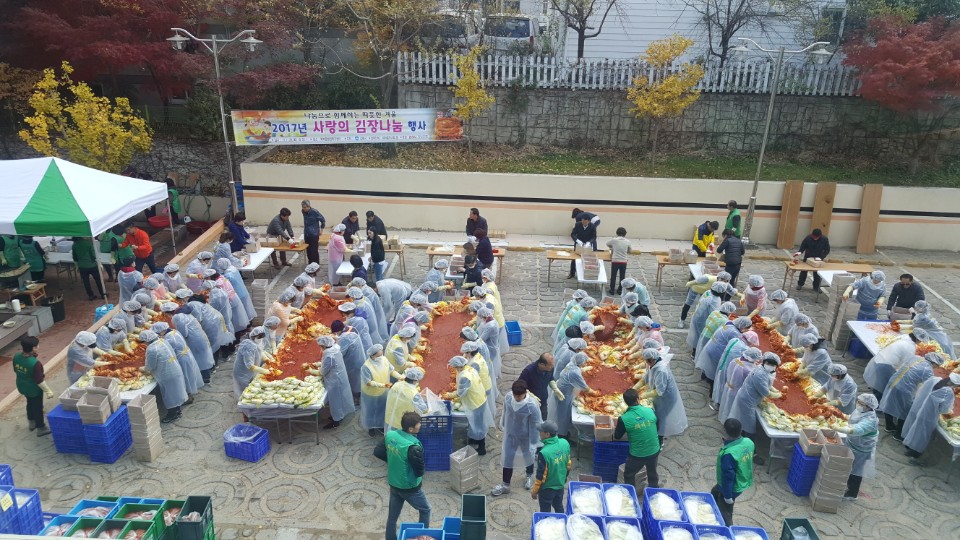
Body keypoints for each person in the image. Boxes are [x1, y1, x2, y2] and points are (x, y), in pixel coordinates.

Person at [376, 411, 431, 540]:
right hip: (409, 487)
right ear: (411, 429)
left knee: (392, 517)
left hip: (394, 483)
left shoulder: (391, 435)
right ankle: (422, 537)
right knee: (425, 509)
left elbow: (378, 452)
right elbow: (419, 471)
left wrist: (394, 461)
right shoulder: (412, 446)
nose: (420, 425)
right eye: (418, 424)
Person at [726, 352, 782, 464]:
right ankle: (751, 454)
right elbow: (765, 391)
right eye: (769, 363)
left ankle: (741, 441)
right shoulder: (760, 374)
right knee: (750, 429)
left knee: (745, 423)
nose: (771, 366)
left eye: (773, 364)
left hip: (747, 398)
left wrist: (776, 391)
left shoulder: (762, 370)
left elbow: (767, 385)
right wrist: (779, 395)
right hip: (747, 401)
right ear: (764, 362)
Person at [492, 380, 543, 496]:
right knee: (508, 458)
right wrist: (503, 424)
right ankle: (505, 485)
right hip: (511, 435)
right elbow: (505, 411)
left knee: (528, 456)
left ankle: (529, 476)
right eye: (515, 395)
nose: (517, 398)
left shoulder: (531, 406)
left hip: (525, 437)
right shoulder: (508, 398)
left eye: (519, 396)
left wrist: (534, 443)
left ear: (525, 393)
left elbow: (535, 425)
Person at [879, 352, 943, 441]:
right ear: (934, 362)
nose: (937, 367)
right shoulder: (927, 369)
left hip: (894, 382)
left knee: (889, 403)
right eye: (938, 365)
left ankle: (889, 426)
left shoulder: (916, 357)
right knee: (905, 410)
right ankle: (898, 435)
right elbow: (931, 385)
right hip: (904, 390)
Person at [902, 372, 960, 464]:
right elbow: (944, 409)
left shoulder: (936, 380)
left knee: (916, 430)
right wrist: (947, 411)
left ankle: (910, 449)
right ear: (956, 384)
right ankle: (915, 457)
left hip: (921, 409)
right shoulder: (948, 392)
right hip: (930, 415)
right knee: (923, 436)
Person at [445, 355, 493, 454]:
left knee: (478, 424)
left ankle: (481, 447)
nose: (454, 369)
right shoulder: (470, 369)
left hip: (476, 402)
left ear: (459, 366)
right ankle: (474, 439)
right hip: (479, 398)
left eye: (455, 367)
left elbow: (461, 393)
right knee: (475, 423)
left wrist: (449, 395)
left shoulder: (464, 377)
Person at [712, 418, 754, 526]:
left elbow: (728, 478)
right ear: (741, 430)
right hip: (742, 480)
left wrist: (727, 497)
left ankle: (728, 529)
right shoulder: (749, 442)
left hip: (731, 488)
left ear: (725, 431)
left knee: (726, 511)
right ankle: (711, 510)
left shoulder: (729, 454)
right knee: (714, 493)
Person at [615, 388, 660, 489]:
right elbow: (657, 427)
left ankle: (631, 493)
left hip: (637, 454)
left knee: (629, 474)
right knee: (652, 472)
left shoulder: (624, 419)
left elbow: (617, 436)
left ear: (625, 402)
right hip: (654, 449)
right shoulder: (650, 411)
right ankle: (654, 490)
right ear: (638, 399)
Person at [639, 348, 688, 441]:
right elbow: (645, 378)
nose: (646, 363)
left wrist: (642, 395)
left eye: (646, 361)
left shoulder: (661, 370)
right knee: (658, 416)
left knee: (661, 418)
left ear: (651, 360)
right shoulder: (653, 365)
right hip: (659, 397)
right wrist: (635, 388)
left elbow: (659, 391)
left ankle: (660, 440)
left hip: (666, 398)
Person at [837, 394, 880, 499]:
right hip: (853, 442)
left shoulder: (871, 420)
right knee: (849, 466)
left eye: (861, 403)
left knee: (856, 471)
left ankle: (852, 493)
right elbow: (852, 419)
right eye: (858, 402)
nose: (858, 404)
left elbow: (857, 429)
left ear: (869, 406)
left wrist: (838, 428)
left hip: (862, 448)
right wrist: (841, 417)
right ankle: (846, 484)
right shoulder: (861, 411)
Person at [696, 317, 753, 394]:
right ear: (742, 326)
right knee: (715, 371)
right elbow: (736, 347)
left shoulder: (729, 323)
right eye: (746, 328)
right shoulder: (735, 333)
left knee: (708, 365)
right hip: (717, 352)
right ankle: (712, 390)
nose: (747, 330)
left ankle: (704, 376)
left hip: (711, 346)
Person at [140, 330, 188, 423]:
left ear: (146, 340)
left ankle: (172, 415)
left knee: (169, 396)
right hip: (175, 368)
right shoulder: (163, 341)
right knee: (176, 392)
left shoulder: (151, 349)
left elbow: (150, 366)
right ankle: (177, 411)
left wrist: (141, 369)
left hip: (166, 374)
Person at [13, 336, 54, 437]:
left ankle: (31, 422)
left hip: (22, 385)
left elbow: (15, 370)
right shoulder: (35, 363)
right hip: (34, 388)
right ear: (34, 348)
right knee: (37, 407)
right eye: (37, 345)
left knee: (30, 402)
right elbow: (39, 381)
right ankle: (41, 427)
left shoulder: (16, 356)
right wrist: (48, 391)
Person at [312, 335, 355, 429]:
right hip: (340, 376)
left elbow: (323, 371)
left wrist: (311, 370)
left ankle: (336, 421)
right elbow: (330, 364)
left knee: (335, 401)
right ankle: (340, 415)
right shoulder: (335, 348)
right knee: (341, 399)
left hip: (334, 380)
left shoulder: (328, 354)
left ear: (323, 346)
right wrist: (320, 364)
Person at [530, 420, 572, 513]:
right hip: (560, 486)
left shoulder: (544, 453)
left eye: (541, 431)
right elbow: (568, 465)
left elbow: (540, 476)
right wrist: (563, 479)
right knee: (559, 506)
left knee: (545, 511)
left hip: (547, 490)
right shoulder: (565, 443)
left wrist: (535, 491)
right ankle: (562, 519)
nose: (539, 433)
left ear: (547, 434)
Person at [152, 321, 204, 396]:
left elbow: (167, 352)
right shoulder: (174, 332)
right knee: (189, 374)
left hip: (181, 359)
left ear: (162, 331)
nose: (158, 335)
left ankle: (187, 394)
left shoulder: (169, 338)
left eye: (158, 333)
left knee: (185, 377)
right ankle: (189, 392)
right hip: (186, 355)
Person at [549, 352, 590, 439]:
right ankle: (562, 435)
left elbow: (578, 371)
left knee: (562, 413)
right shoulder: (574, 372)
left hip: (561, 389)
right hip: (563, 394)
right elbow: (585, 388)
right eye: (584, 363)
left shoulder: (571, 364)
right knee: (563, 415)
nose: (585, 364)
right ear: (581, 362)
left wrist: (585, 369)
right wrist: (595, 392)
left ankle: (561, 431)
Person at [718, 347, 763, 421]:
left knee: (726, 405)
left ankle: (723, 419)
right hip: (736, 392)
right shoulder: (748, 369)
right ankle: (729, 423)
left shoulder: (736, 360)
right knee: (732, 410)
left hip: (728, 386)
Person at [172, 308, 214, 384]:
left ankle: (205, 378)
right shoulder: (187, 316)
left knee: (200, 359)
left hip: (194, 341)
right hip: (199, 337)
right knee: (204, 357)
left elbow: (183, 334)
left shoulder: (178, 318)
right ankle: (208, 373)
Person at [686, 281, 728, 352]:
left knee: (696, 335)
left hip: (697, 315)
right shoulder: (716, 300)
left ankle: (694, 350)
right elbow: (715, 313)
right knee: (701, 336)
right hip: (704, 319)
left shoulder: (708, 292)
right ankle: (696, 352)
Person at [384, 367, 429, 431]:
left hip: (390, 417)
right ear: (415, 380)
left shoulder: (396, 384)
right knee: (400, 436)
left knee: (390, 435)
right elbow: (424, 410)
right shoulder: (414, 393)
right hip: (402, 422)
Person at [518, 353, 560, 421]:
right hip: (530, 403)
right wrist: (530, 395)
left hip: (543, 400)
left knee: (543, 420)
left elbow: (550, 378)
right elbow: (519, 385)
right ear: (542, 364)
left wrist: (555, 388)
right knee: (531, 421)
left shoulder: (550, 369)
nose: (552, 366)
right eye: (550, 365)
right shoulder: (528, 371)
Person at [361, 344, 392, 436]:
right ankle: (371, 427)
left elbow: (391, 370)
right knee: (370, 410)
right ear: (372, 355)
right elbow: (368, 382)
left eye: (381, 354)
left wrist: (400, 376)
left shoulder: (384, 360)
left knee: (381, 409)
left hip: (382, 392)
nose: (380, 357)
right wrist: (383, 385)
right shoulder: (366, 366)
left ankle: (379, 425)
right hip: (371, 393)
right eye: (378, 356)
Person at [331, 320, 365, 399]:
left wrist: (335, 344)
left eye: (336, 332)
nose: (336, 334)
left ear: (338, 331)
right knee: (359, 379)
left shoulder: (344, 338)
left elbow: (340, 353)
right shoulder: (350, 328)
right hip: (359, 357)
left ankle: (357, 397)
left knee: (354, 380)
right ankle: (359, 394)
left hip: (353, 362)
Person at [568, 214, 597, 279]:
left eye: (585, 222)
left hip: (587, 244)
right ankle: (572, 273)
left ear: (588, 221)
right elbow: (573, 234)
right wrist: (577, 240)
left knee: (587, 258)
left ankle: (586, 273)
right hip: (579, 244)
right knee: (575, 258)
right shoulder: (577, 224)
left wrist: (589, 242)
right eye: (582, 222)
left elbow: (594, 237)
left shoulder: (592, 226)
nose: (583, 223)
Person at [606, 227, 630, 295]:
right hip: (623, 261)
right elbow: (630, 250)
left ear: (617, 233)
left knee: (613, 275)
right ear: (625, 234)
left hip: (615, 260)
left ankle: (612, 289)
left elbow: (607, 243)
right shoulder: (627, 241)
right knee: (622, 276)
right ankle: (620, 290)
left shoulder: (614, 240)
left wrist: (612, 247)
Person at [301, 200, 326, 265]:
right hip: (307, 234)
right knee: (308, 251)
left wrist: (321, 230)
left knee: (314, 251)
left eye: (306, 207)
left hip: (314, 234)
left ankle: (316, 264)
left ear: (309, 206)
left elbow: (323, 220)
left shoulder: (314, 212)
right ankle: (310, 264)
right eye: (303, 207)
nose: (305, 209)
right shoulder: (303, 212)